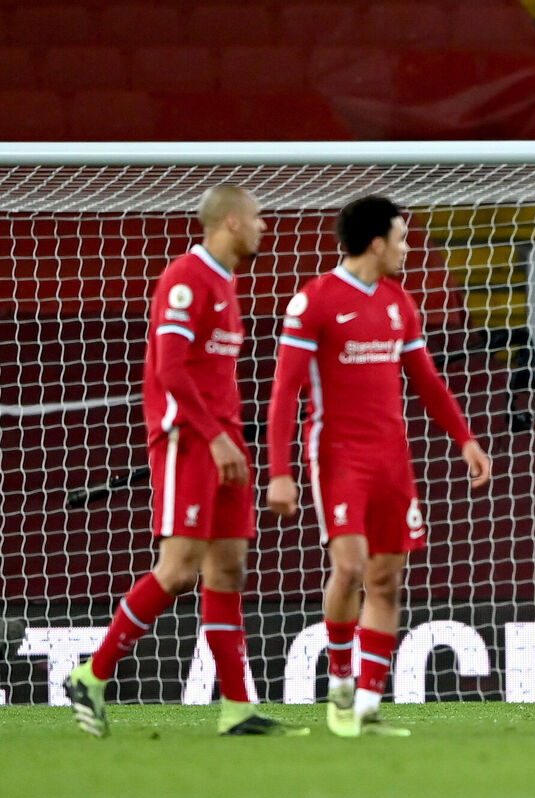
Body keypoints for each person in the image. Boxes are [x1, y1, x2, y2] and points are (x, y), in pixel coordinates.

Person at [65, 185, 308, 737]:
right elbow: (170, 370)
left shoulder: (227, 284)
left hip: (224, 439)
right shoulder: (185, 278)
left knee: (229, 569)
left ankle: (239, 709)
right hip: (188, 440)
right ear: (229, 222)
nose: (264, 226)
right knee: (177, 570)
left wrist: (232, 440)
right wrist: (215, 438)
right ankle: (91, 676)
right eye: (257, 217)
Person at [266, 195, 491, 737]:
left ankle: (366, 708)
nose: (408, 247)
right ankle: (340, 690)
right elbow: (284, 393)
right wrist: (279, 471)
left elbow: (428, 381)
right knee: (349, 567)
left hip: (393, 462)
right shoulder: (314, 302)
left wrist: (465, 439)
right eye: (402, 237)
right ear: (375, 242)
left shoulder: (398, 302)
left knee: (386, 580)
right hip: (338, 459)